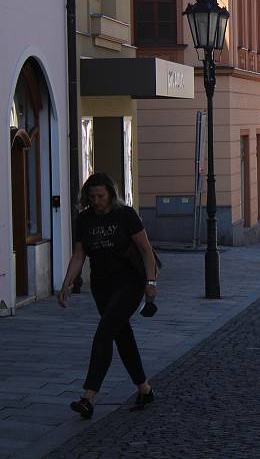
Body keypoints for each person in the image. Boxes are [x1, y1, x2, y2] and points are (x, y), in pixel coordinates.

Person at [57, 173, 157, 419]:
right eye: (92, 197)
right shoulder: (85, 219)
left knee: (103, 334)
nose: (97, 201)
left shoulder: (126, 215)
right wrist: (66, 283)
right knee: (122, 335)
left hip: (129, 283)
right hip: (101, 286)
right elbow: (79, 255)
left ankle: (88, 398)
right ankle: (144, 389)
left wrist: (151, 282)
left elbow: (146, 250)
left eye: (100, 196)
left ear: (111, 194)